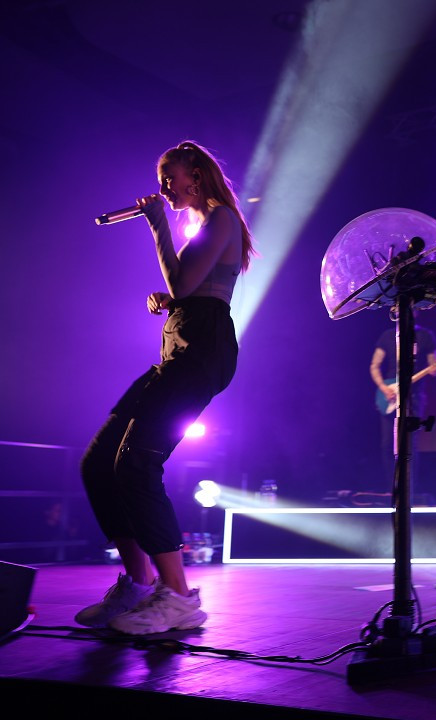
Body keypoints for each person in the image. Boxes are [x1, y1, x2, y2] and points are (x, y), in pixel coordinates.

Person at [76, 141, 255, 634]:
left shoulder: (220, 219)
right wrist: (170, 299)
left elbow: (183, 285)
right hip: (178, 352)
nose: (162, 189)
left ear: (195, 175)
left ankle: (178, 596)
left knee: (136, 463)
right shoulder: (204, 225)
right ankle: (137, 584)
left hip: (202, 354)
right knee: (98, 462)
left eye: (168, 177)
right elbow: (186, 290)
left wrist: (156, 225)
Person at [369, 317, 436, 495]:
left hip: (414, 397)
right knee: (387, 444)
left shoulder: (425, 336)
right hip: (390, 396)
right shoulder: (387, 336)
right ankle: (391, 489)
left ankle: (409, 490)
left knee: (410, 444)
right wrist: (383, 388)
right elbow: (374, 365)